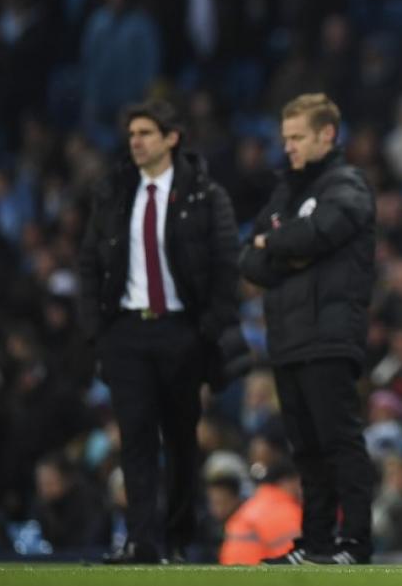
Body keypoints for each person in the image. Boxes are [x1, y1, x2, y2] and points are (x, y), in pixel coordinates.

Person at [79, 99, 240, 563]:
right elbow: (90, 261)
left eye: (146, 132)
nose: (136, 141)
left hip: (181, 331)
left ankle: (177, 537)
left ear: (172, 138)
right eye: (132, 134)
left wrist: (206, 328)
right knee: (135, 438)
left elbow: (226, 266)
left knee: (182, 440)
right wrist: (98, 331)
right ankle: (141, 541)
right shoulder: (114, 192)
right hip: (126, 332)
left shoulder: (204, 195)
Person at [239, 93, 376, 565]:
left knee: (339, 443)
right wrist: (284, 249)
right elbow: (248, 259)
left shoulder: (349, 184)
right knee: (307, 451)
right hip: (288, 338)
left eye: (297, 137)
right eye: (285, 138)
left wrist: (273, 241)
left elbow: (318, 233)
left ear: (327, 135)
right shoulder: (284, 193)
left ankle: (355, 542)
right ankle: (315, 543)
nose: (289, 147)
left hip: (330, 333)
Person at [219, 460, 303, 565]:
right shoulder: (284, 510)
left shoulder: (254, 502)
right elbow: (294, 557)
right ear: (287, 481)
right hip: (257, 572)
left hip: (230, 570)